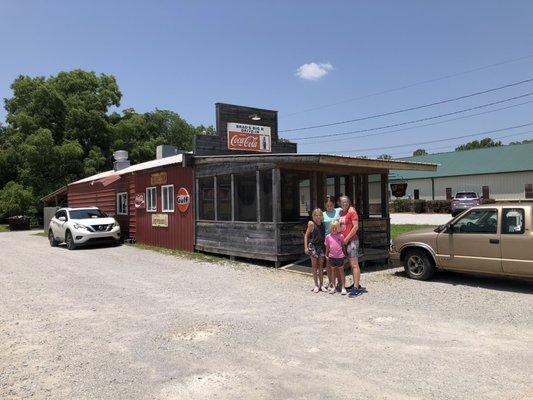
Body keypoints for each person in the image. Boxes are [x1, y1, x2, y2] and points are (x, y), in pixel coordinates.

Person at [338, 195, 364, 296]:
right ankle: (355, 284)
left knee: (354, 264)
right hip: (344, 241)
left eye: (346, 202)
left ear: (349, 202)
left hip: (352, 241)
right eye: (342, 202)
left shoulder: (352, 212)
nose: (344, 203)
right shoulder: (341, 213)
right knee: (350, 263)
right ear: (340, 203)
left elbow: (355, 227)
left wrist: (347, 238)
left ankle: (356, 288)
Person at [304, 208, 327, 293]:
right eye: (316, 215)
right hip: (313, 246)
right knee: (314, 266)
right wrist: (306, 247)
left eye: (319, 215)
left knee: (321, 266)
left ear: (322, 216)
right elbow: (306, 235)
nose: (318, 217)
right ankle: (316, 285)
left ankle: (321, 284)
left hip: (321, 247)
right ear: (313, 216)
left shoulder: (323, 225)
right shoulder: (311, 224)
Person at [324, 220, 347, 295]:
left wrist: (345, 254)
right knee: (333, 272)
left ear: (338, 228)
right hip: (332, 257)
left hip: (340, 256)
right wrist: (326, 254)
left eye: (336, 228)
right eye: (333, 228)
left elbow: (343, 246)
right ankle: (333, 286)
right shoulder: (328, 237)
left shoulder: (341, 236)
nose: (334, 229)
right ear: (330, 228)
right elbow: (327, 247)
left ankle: (343, 287)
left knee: (341, 272)